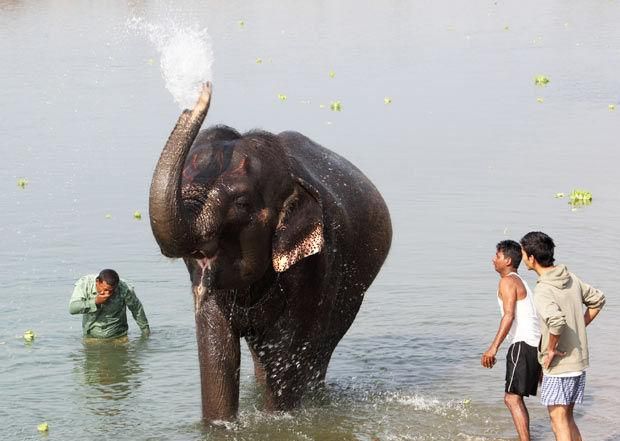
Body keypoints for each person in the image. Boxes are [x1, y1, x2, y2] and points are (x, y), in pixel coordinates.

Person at [520, 232, 605, 441]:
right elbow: (598, 300)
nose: (522, 258)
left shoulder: (543, 290)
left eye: (523, 254)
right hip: (578, 363)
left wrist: (550, 349)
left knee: (558, 422)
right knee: (567, 418)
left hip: (559, 366)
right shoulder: (570, 278)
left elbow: (556, 322)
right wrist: (580, 325)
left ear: (531, 258)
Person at [482, 240, 542, 441]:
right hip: (534, 344)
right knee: (515, 397)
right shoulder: (521, 281)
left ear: (507, 260)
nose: (493, 259)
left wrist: (493, 348)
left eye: (497, 256)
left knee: (511, 398)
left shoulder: (507, 281)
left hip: (522, 344)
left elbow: (509, 316)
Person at [69, 269, 150, 339]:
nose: (107, 294)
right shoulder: (85, 284)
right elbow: (72, 308)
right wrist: (95, 302)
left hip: (119, 337)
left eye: (111, 291)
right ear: (98, 282)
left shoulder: (124, 288)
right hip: (91, 338)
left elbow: (137, 309)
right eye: (105, 289)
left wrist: (146, 332)